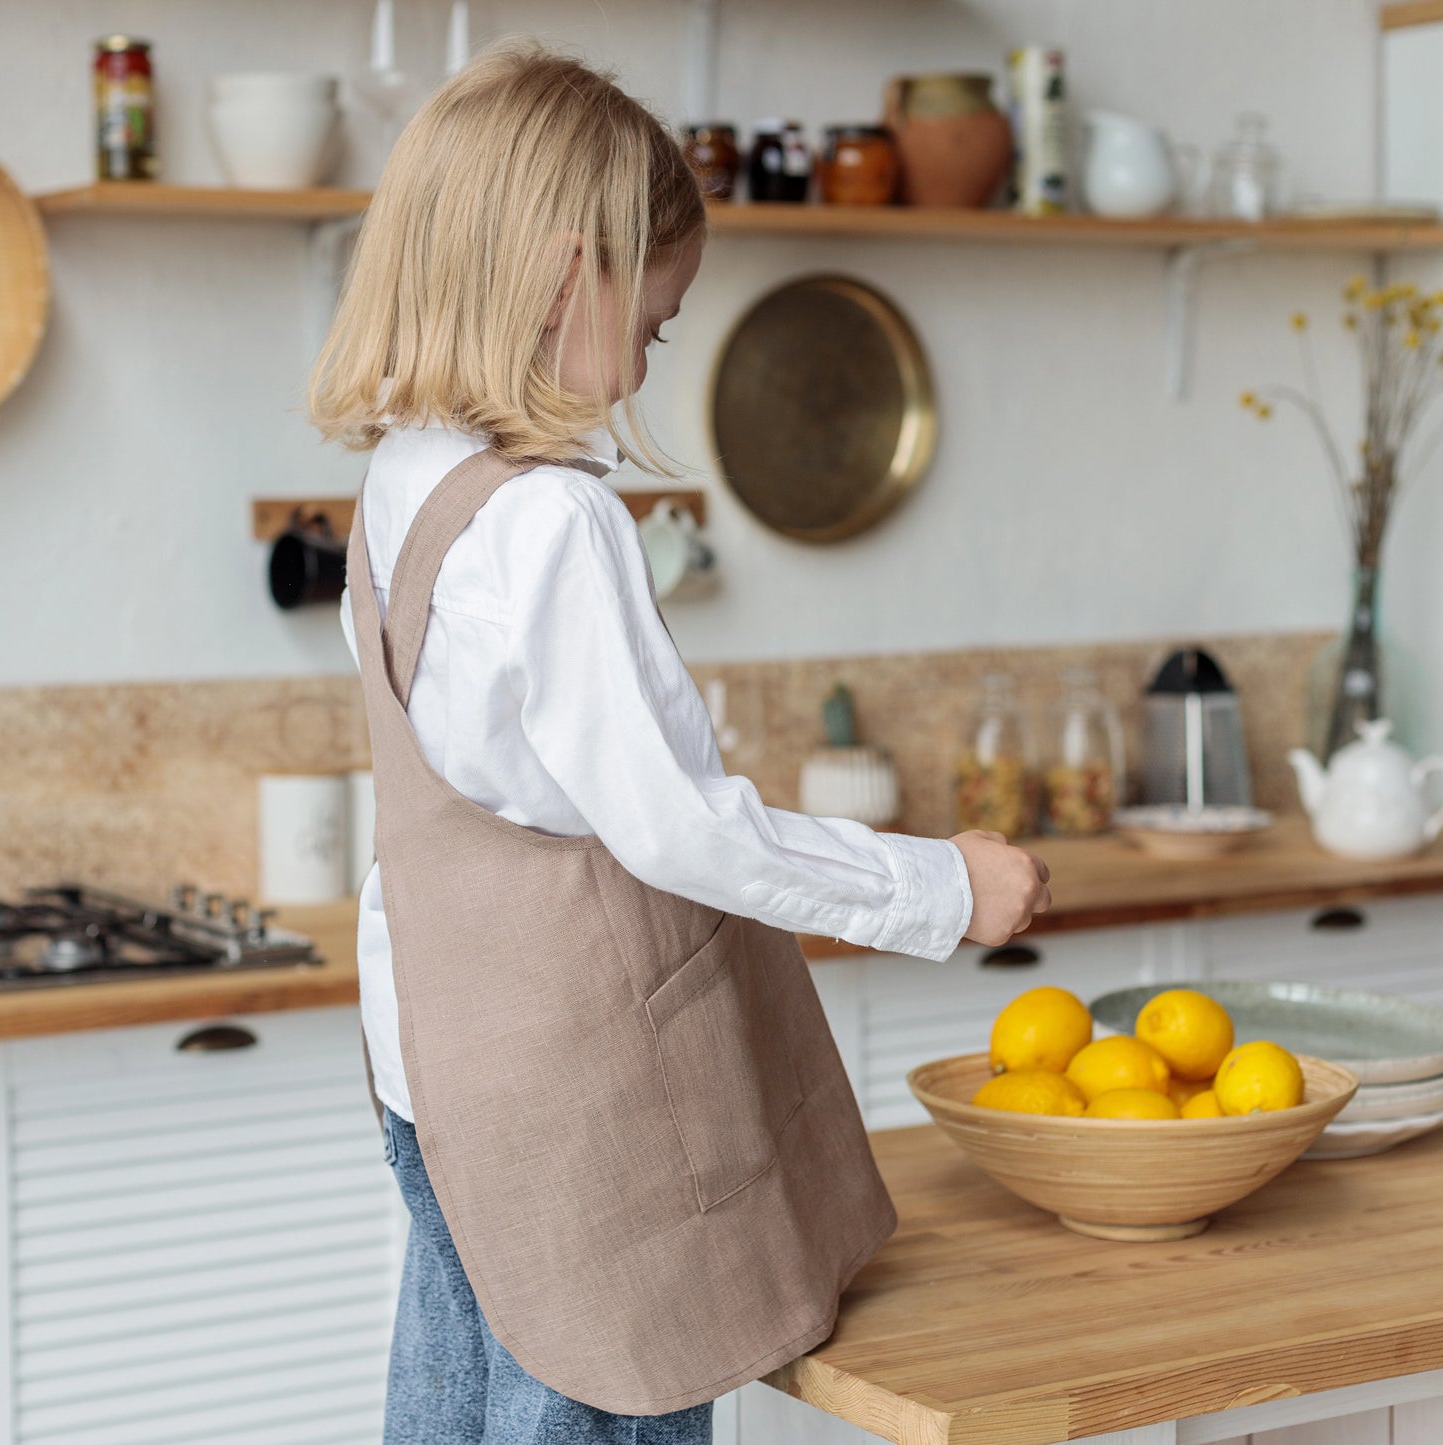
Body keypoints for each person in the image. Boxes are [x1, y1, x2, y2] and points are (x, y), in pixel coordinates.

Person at [310, 39, 1050, 1445]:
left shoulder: (402, 479)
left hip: (439, 1066)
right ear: (566, 271)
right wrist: (943, 887)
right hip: (581, 1104)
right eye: (654, 319)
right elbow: (675, 827)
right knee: (596, 1398)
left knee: (461, 1398)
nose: (654, 348)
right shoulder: (551, 519)